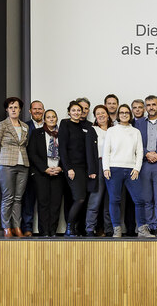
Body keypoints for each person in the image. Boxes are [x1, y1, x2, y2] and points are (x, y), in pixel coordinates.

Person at [103, 104, 154, 238]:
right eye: (122, 112)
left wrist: (137, 168)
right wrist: (106, 168)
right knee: (114, 200)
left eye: (126, 112)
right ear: (118, 115)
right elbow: (106, 150)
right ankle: (117, 229)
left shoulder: (135, 132)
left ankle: (142, 229)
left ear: (130, 115)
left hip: (131, 170)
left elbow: (140, 151)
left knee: (139, 200)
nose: (124, 115)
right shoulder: (111, 131)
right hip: (114, 169)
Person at [0, 97, 30, 238]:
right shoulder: (1, 125)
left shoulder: (25, 126)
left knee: (18, 198)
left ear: (20, 110)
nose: (13, 110)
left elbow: (25, 145)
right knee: (8, 197)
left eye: (16, 107)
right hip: (6, 165)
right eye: (11, 107)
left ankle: (17, 227)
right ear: (7, 110)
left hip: (23, 165)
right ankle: (7, 227)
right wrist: (0, 162)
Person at [58, 101, 97, 237]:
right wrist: (68, 168)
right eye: (73, 110)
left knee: (82, 199)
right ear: (69, 112)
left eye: (78, 110)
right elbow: (62, 148)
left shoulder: (87, 126)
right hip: (72, 167)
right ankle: (69, 228)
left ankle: (76, 228)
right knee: (79, 198)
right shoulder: (65, 124)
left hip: (84, 168)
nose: (76, 113)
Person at [134, 95, 157, 235]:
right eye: (148, 105)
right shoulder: (138, 123)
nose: (151, 107)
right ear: (145, 108)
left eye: (154, 104)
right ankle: (149, 225)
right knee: (147, 198)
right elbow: (135, 144)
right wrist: (147, 153)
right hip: (144, 164)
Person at [27, 109, 64, 237]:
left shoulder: (62, 134)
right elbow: (32, 153)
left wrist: (61, 168)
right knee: (43, 203)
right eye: (48, 117)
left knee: (56, 203)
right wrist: (45, 168)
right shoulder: (37, 133)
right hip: (41, 173)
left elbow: (67, 153)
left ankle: (53, 230)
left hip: (58, 173)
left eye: (53, 117)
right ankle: (44, 231)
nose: (51, 119)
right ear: (44, 119)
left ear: (57, 118)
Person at [84, 105, 113, 236]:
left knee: (110, 200)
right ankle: (90, 228)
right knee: (95, 199)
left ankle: (109, 229)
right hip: (98, 165)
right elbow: (89, 151)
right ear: (95, 117)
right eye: (98, 114)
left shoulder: (114, 130)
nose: (101, 115)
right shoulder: (92, 130)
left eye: (103, 113)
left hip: (113, 165)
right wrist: (92, 170)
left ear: (108, 115)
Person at [22, 100, 45, 236]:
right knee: (28, 200)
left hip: (46, 169)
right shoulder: (24, 126)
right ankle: (27, 228)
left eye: (40, 109)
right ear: (30, 111)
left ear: (43, 111)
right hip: (29, 168)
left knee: (44, 201)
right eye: (35, 109)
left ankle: (44, 229)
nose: (37, 111)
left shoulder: (50, 126)